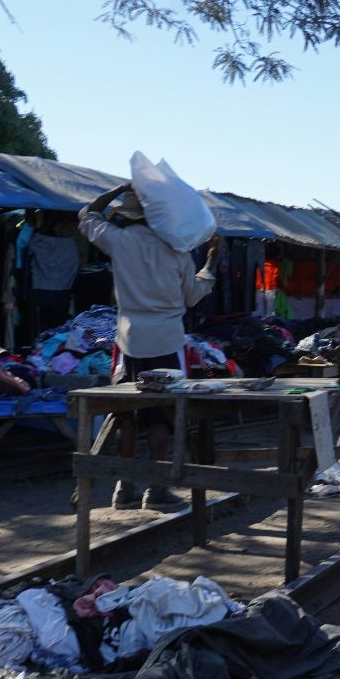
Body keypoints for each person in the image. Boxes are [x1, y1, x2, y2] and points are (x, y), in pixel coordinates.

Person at [80, 184, 215, 511]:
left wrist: (118, 189)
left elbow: (87, 214)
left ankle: (124, 488)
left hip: (129, 340)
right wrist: (211, 262)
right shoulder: (178, 252)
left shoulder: (118, 240)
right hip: (167, 340)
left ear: (130, 216)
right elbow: (193, 296)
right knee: (161, 417)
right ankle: (157, 488)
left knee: (126, 415)